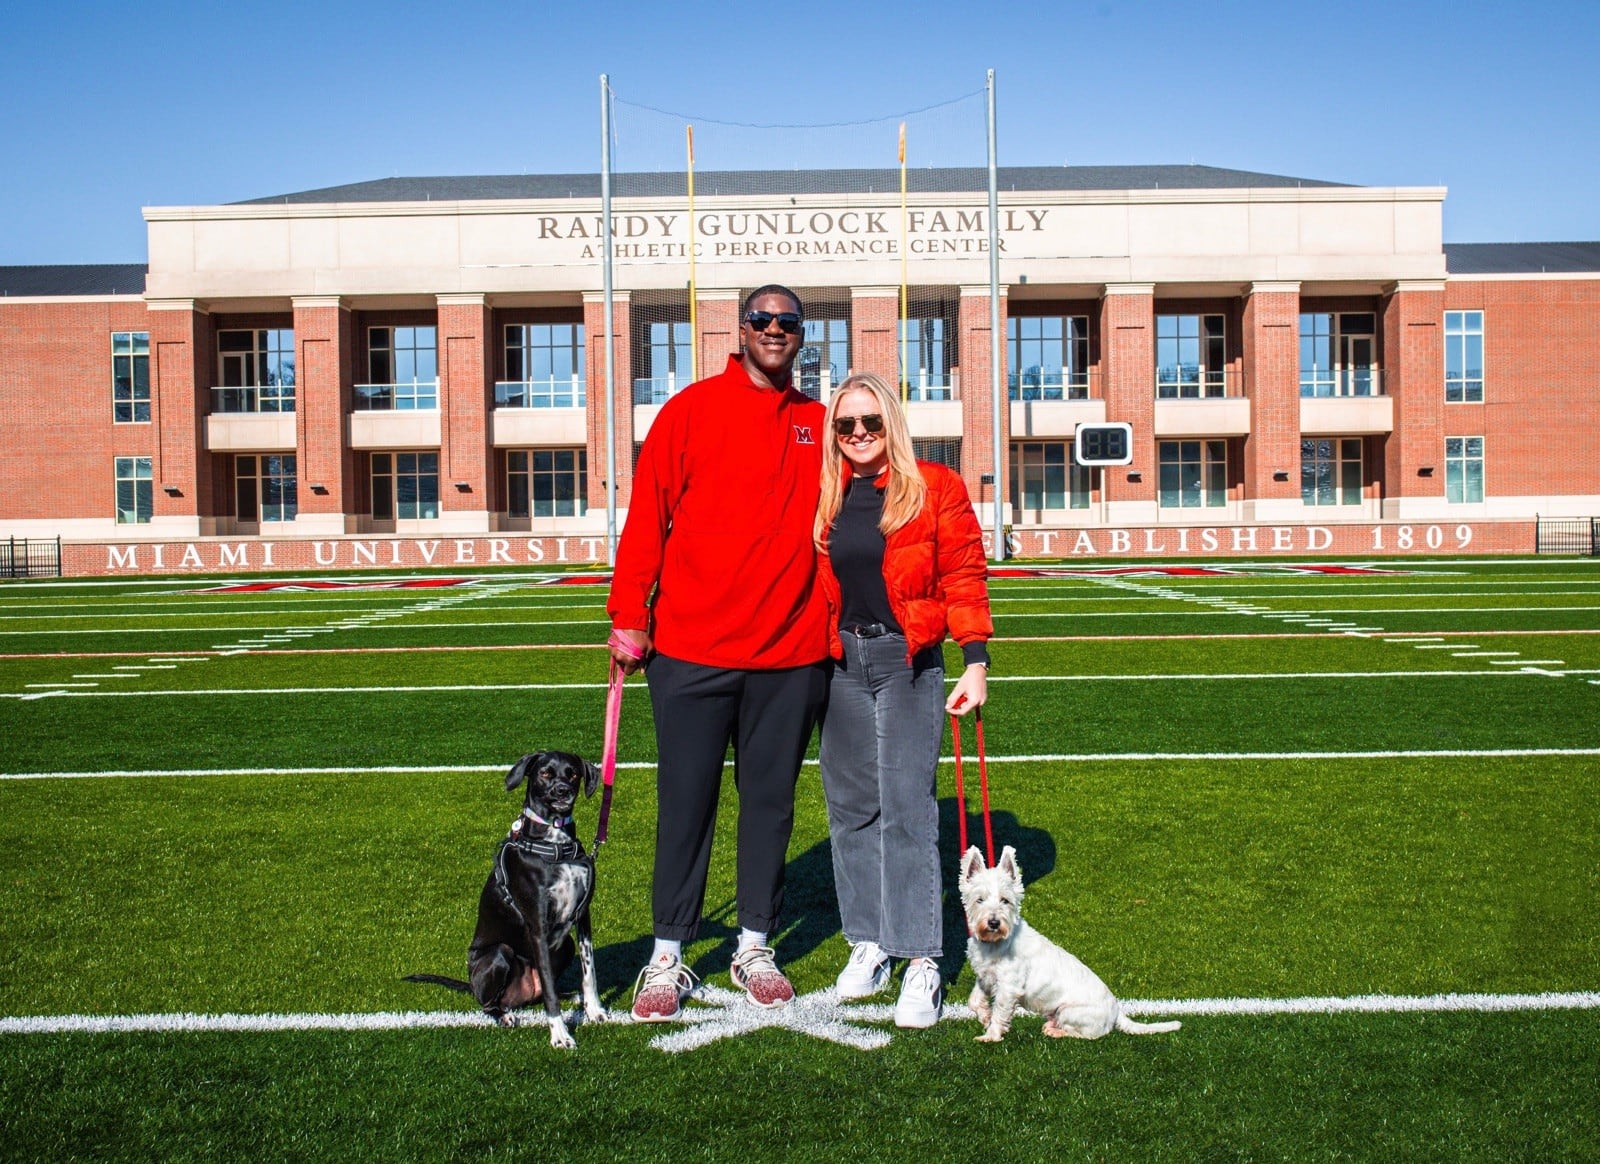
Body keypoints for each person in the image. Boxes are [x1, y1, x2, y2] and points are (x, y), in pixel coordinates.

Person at [607, 285, 832, 1021]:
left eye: (788, 322)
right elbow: (648, 517)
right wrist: (627, 615)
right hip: (693, 649)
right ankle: (667, 956)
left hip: (792, 652)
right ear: (741, 330)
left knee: (769, 807)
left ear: (802, 335)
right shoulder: (690, 410)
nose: (775, 331)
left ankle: (754, 944)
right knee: (686, 805)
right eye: (762, 320)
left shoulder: (818, 423)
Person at [813, 371, 993, 1028]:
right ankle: (869, 944)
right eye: (845, 425)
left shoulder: (935, 487)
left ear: (891, 424)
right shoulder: (826, 495)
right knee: (852, 811)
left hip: (904, 659)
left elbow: (964, 575)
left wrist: (975, 661)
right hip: (839, 663)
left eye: (870, 422)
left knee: (907, 811)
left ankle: (920, 957)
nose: (858, 434)